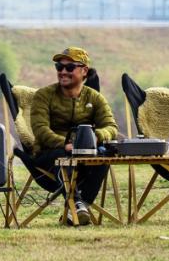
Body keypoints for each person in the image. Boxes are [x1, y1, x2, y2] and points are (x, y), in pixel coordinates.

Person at [29, 47, 118, 225]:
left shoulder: (95, 98)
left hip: (86, 155)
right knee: (64, 157)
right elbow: (40, 130)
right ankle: (78, 204)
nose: (63, 72)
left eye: (69, 68)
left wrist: (92, 139)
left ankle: (78, 207)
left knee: (106, 154)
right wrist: (65, 144)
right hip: (50, 154)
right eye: (59, 67)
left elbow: (111, 127)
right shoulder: (44, 96)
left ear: (84, 71)